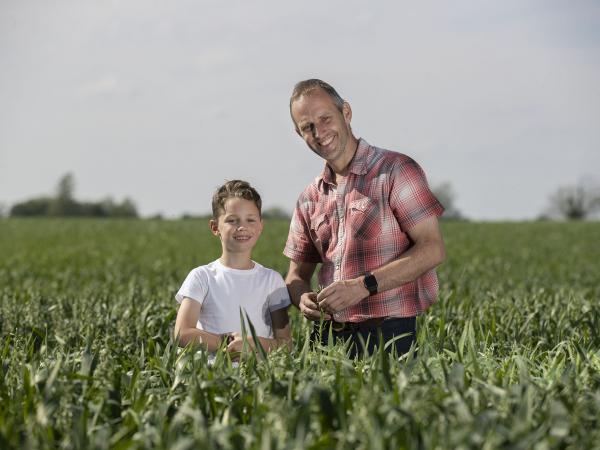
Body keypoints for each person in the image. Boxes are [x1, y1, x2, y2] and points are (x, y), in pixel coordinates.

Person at [283, 79, 446, 358]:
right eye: (307, 127)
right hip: (326, 339)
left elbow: (432, 249)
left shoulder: (395, 170)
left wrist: (362, 287)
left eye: (325, 119)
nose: (319, 132)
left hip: (390, 335)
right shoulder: (309, 197)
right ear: (299, 134)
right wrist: (301, 299)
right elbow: (296, 275)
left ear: (346, 112)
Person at [174, 180, 292, 359]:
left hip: (260, 381)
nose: (242, 227)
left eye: (250, 219)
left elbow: (285, 344)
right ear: (215, 227)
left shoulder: (272, 280)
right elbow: (181, 334)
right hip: (211, 378)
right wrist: (227, 343)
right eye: (232, 220)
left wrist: (252, 345)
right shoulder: (201, 277)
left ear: (261, 225)